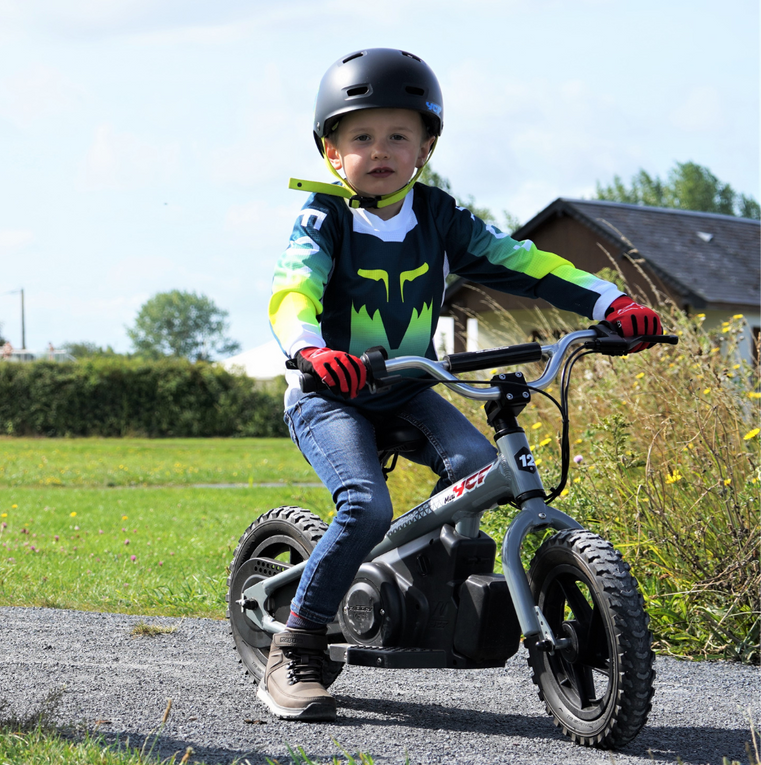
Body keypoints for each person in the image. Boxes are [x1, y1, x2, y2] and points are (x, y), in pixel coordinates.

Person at [265, 48, 661, 721]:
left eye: (399, 135)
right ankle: (296, 647)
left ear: (426, 147)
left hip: (406, 386)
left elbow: (521, 261)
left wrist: (607, 305)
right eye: (360, 136)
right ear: (331, 152)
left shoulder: (439, 215)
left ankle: (405, 583)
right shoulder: (321, 219)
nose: (380, 150)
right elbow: (292, 290)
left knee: (478, 463)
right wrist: (313, 350)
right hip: (329, 393)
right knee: (365, 505)